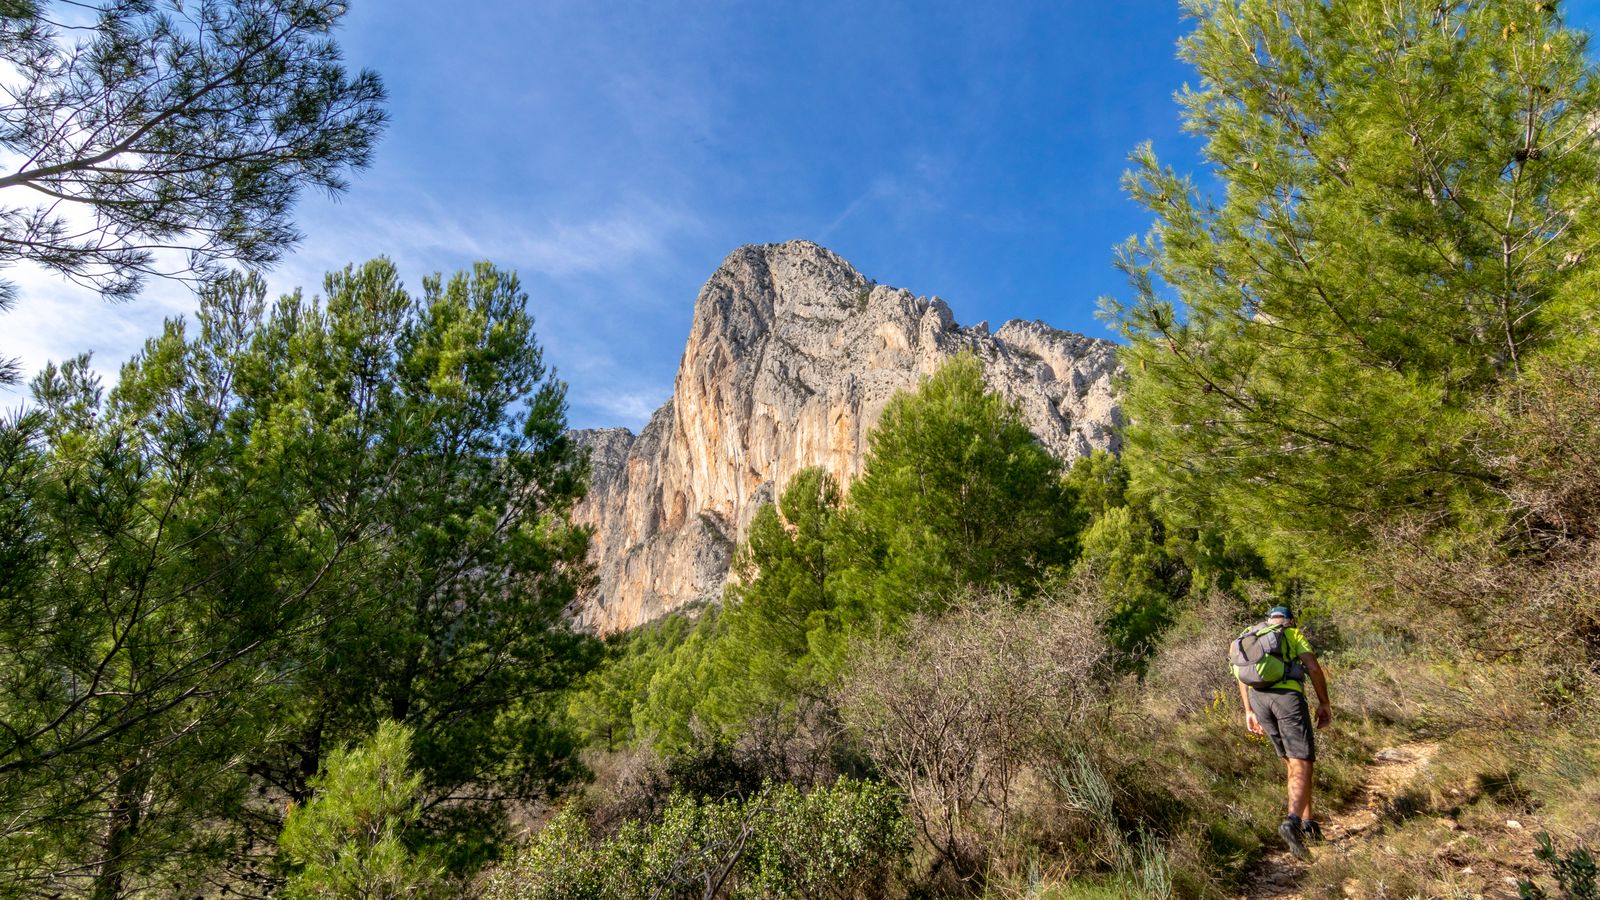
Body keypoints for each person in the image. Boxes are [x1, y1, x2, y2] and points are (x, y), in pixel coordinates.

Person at [1237, 605, 1333, 861]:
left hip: (1259, 701)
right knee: (1302, 759)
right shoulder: (1291, 634)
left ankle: (1308, 823)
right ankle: (1291, 822)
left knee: (1294, 761)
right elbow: (1313, 668)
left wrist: (1248, 710)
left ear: (1269, 619)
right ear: (1289, 620)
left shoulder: (1250, 633)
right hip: (1287, 698)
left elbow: (1240, 674)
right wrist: (1324, 703)